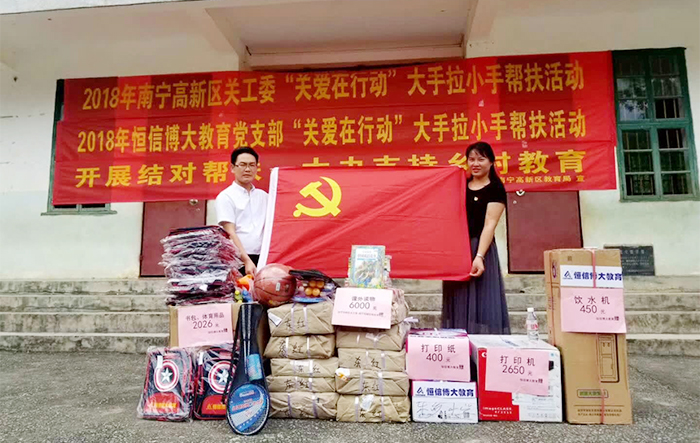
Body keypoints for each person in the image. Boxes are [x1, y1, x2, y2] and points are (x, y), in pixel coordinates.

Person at [442, 141, 511, 334]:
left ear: (491, 162)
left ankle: (482, 343)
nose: (475, 163)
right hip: (458, 249)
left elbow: (489, 224)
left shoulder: (496, 188)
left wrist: (479, 256)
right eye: (471, 159)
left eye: (481, 159)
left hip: (480, 249)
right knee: (457, 297)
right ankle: (456, 341)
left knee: (482, 299)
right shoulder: (461, 185)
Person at [215, 146, 267, 277]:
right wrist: (246, 261)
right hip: (239, 260)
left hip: (264, 258)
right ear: (232, 168)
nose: (247, 169)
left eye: (252, 165)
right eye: (242, 165)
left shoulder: (264, 196)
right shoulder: (226, 196)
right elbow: (230, 232)